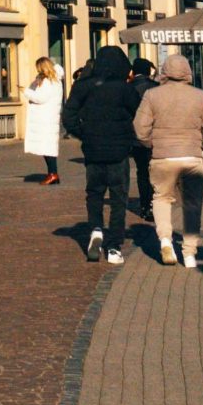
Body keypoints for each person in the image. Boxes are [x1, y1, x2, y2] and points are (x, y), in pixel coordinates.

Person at [133, 56, 203, 268]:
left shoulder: (152, 95)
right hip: (191, 155)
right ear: (188, 72)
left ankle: (165, 240)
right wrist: (201, 145)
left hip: (163, 155)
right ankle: (189, 254)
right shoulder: (200, 96)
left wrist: (151, 143)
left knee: (161, 198)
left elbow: (139, 127)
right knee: (192, 204)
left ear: (164, 71)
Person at [62, 46, 142, 264]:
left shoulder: (83, 86)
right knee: (118, 199)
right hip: (119, 151)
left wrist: (84, 134)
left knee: (94, 193)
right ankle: (114, 246)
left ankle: (96, 229)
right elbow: (138, 114)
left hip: (93, 149)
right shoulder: (125, 89)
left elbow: (68, 118)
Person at [23, 58, 63, 184]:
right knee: (48, 146)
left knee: (48, 147)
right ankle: (53, 173)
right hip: (49, 117)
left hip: (46, 118)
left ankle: (53, 173)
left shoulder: (49, 82)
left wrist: (26, 92)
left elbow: (41, 98)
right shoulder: (55, 80)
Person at [127, 55, 157, 218]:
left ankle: (145, 204)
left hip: (136, 137)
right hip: (155, 135)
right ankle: (155, 203)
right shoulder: (155, 87)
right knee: (156, 171)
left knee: (142, 172)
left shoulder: (129, 87)